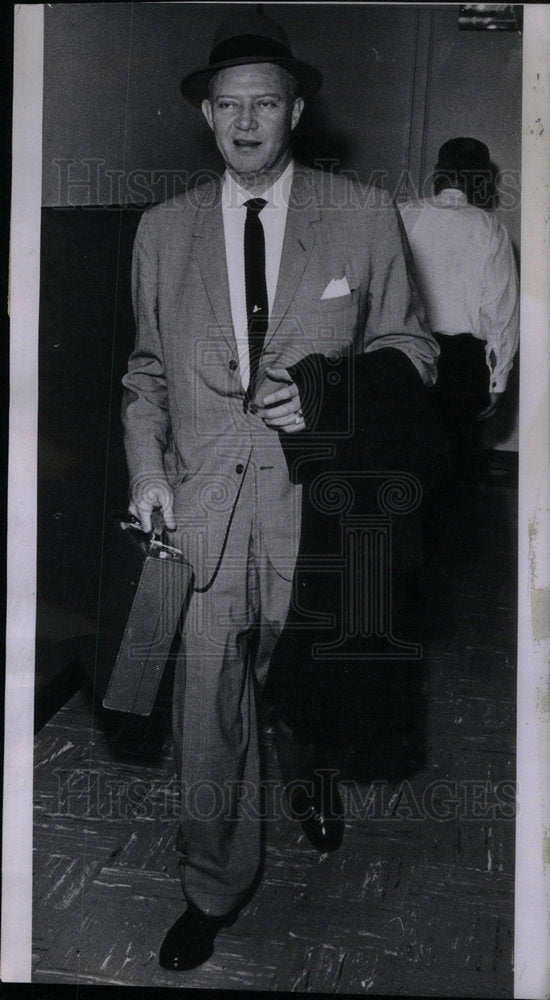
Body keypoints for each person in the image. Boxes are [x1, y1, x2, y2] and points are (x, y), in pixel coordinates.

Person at [121, 10, 439, 971]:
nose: (246, 122)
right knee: (207, 702)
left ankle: (310, 776)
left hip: (321, 511)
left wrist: (327, 403)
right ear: (207, 119)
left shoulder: (362, 213)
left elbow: (414, 355)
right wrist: (147, 475)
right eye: (229, 107)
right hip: (205, 508)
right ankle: (212, 885)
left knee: (303, 687)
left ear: (296, 110)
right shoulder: (161, 230)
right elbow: (144, 376)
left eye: (265, 103)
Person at [400, 137, 519, 481]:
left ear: (438, 173)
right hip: (463, 366)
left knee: (403, 466)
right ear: (480, 181)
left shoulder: (404, 213)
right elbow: (502, 313)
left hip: (406, 354)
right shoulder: (491, 229)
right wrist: (498, 380)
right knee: (453, 472)